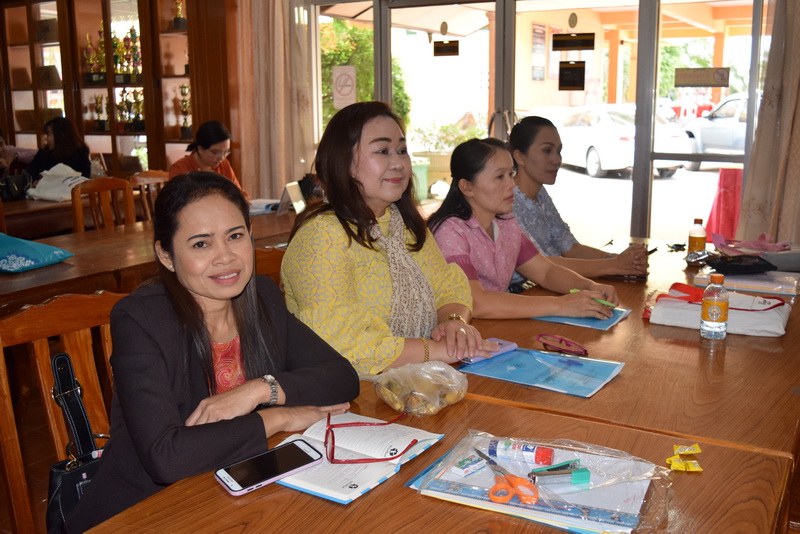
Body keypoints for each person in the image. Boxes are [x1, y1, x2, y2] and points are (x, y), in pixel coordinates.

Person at [65, 172, 359, 532]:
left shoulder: (262, 296)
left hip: (240, 489)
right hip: (149, 510)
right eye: (201, 244)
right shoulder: (140, 319)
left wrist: (258, 390)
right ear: (166, 255)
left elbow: (342, 377)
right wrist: (278, 418)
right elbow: (166, 457)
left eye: (235, 236)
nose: (225, 257)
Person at [281, 101, 498, 375]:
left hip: (418, 380)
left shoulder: (402, 223)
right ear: (344, 162)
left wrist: (454, 322)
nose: (398, 164)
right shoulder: (321, 236)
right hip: (351, 389)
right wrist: (439, 350)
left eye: (402, 151)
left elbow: (446, 285)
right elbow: (342, 343)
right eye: (382, 151)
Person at [428, 138, 619, 320]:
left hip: (497, 323)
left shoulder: (505, 222)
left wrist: (590, 286)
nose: (511, 184)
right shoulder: (449, 231)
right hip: (463, 331)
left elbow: (546, 272)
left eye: (511, 174)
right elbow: (476, 302)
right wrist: (562, 305)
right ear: (467, 187)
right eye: (500, 177)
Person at [509, 116, 648, 278]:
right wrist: (614, 265)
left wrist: (622, 260)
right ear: (520, 157)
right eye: (547, 151)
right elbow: (542, 264)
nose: (556, 160)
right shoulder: (506, 201)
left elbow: (570, 247)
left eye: (559, 151)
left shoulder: (540, 194)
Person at [169, 120, 249, 198]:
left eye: (226, 152)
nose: (222, 157)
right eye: (216, 152)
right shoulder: (180, 168)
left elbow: (240, 194)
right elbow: (178, 203)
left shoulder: (224, 164)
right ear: (200, 149)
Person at [25, 117, 91, 178]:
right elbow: (29, 175)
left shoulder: (80, 153)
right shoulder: (44, 153)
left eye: (48, 134)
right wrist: (34, 182)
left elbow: (85, 178)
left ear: (60, 135)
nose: (46, 139)